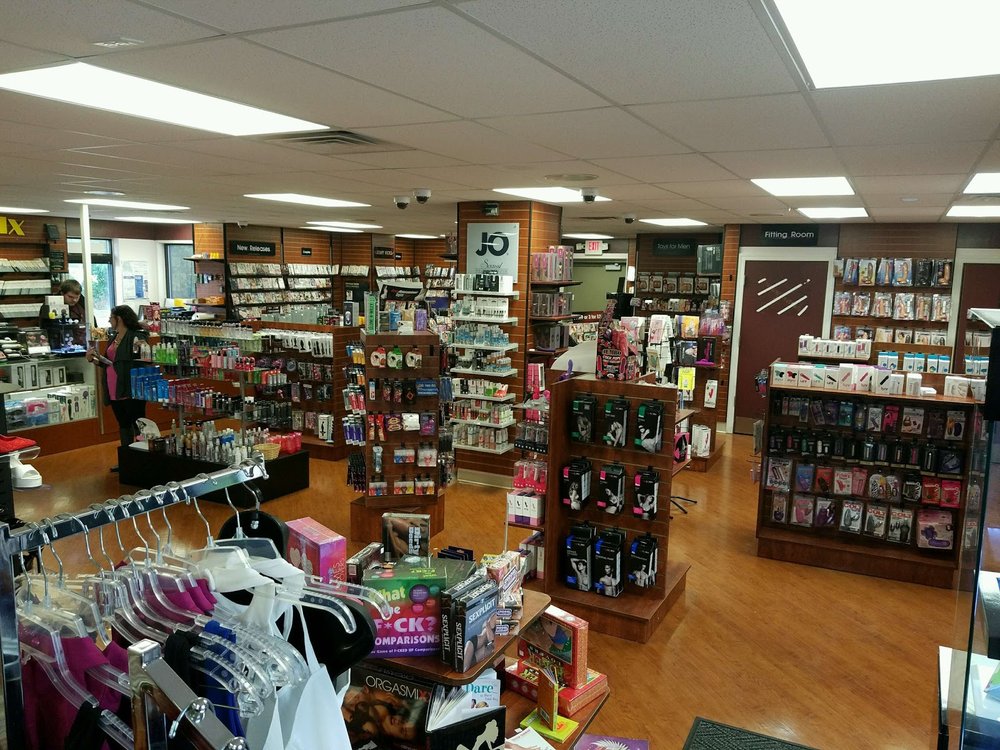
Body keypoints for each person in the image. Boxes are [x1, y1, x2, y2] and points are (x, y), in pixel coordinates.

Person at [86, 305, 148, 472]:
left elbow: (140, 358)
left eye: (111, 317)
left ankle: (141, 459)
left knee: (138, 423)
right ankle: (126, 460)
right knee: (123, 423)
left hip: (130, 387)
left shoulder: (136, 335)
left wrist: (141, 346)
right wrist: (93, 359)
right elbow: (109, 363)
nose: (108, 320)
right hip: (113, 387)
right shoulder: (114, 338)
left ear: (119, 318)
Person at [39, 278, 92, 348]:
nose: (74, 300)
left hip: (82, 344)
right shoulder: (49, 305)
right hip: (58, 344)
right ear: (62, 293)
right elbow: (44, 327)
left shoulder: (83, 304)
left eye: (77, 297)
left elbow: (92, 321)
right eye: (70, 297)